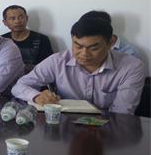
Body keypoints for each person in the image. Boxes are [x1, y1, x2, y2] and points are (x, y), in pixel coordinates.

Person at [11, 16, 145, 114]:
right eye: (78, 46)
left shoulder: (131, 66)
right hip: (66, 126)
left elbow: (122, 113)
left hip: (108, 127)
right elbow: (19, 86)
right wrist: (36, 96)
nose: (84, 54)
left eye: (93, 48)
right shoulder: (58, 61)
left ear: (110, 43)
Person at [1, 5, 53, 72]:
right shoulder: (2, 40)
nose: (17, 21)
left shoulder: (42, 39)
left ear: (27, 18)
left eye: (21, 17)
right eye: (12, 18)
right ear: (5, 22)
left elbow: (49, 66)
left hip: (35, 76)